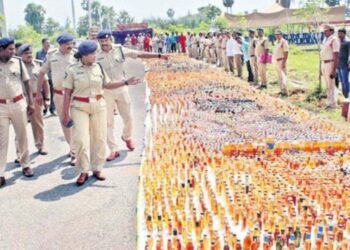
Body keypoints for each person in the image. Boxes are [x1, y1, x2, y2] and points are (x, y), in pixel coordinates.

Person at [63, 41, 142, 186]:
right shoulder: (72, 70)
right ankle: (83, 170)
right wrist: (65, 114)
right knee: (81, 139)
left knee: (99, 138)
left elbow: (107, 84)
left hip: (99, 105)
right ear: (84, 56)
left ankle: (97, 168)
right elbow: (67, 93)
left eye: (94, 53)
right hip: (80, 106)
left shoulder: (98, 67)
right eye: (92, 54)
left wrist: (125, 82)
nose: (95, 56)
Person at [96, 30, 169, 161]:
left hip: (122, 88)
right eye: (101, 41)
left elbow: (139, 54)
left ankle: (127, 136)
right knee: (108, 122)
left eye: (106, 40)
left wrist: (158, 55)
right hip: (105, 90)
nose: (104, 43)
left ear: (110, 40)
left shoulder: (119, 50)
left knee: (128, 117)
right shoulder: (95, 54)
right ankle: (113, 149)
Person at [37, 33, 78, 165]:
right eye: (67, 44)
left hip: (75, 94)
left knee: (77, 122)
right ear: (60, 45)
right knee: (65, 122)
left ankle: (75, 151)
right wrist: (39, 93)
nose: (70, 46)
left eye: (72, 43)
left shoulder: (76, 55)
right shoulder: (51, 55)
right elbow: (42, 72)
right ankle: (72, 147)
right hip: (59, 95)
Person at [0, 37, 35, 188]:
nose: (13, 51)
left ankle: (25, 164)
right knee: (2, 139)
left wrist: (31, 103)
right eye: (10, 49)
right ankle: (1, 173)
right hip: (1, 106)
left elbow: (27, 82)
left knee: (22, 135)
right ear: (1, 49)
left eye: (14, 49)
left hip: (19, 103)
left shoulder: (18, 62)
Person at [18, 44, 49, 155]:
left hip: (36, 98)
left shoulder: (38, 64)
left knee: (38, 124)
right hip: (21, 99)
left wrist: (47, 98)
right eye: (26, 53)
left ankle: (40, 145)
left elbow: (45, 82)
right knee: (20, 126)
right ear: (20, 55)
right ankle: (20, 152)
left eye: (30, 52)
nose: (29, 55)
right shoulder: (17, 66)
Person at [320, 24, 340, 109]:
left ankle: (333, 104)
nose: (324, 32)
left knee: (331, 85)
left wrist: (334, 69)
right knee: (327, 85)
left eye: (326, 30)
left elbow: (336, 55)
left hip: (330, 63)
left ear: (331, 31)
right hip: (324, 63)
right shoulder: (325, 40)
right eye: (324, 31)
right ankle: (329, 102)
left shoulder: (334, 40)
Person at [36, 38, 55, 115]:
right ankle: (45, 109)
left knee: (53, 93)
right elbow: (37, 64)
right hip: (43, 76)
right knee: (44, 92)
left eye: (49, 43)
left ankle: (52, 109)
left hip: (52, 76)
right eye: (47, 43)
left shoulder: (53, 53)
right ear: (43, 44)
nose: (48, 44)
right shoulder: (38, 53)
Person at [273, 30, 289, 96]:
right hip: (276, 61)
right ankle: (281, 90)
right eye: (276, 34)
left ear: (281, 35)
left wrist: (284, 62)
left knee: (283, 76)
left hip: (281, 60)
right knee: (279, 76)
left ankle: (285, 91)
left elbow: (286, 52)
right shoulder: (276, 42)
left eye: (278, 34)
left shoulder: (284, 42)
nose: (277, 36)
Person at [337, 28, 350, 98]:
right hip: (338, 64)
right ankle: (344, 95)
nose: (339, 35)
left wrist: (349, 63)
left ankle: (347, 96)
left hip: (345, 64)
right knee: (341, 81)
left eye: (340, 33)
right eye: (338, 33)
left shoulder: (348, 42)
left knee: (345, 81)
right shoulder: (338, 41)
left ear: (344, 33)